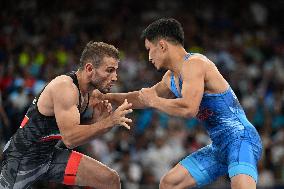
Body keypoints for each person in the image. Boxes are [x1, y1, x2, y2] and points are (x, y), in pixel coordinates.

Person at [100, 18, 263, 189]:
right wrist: (108, 97)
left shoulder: (195, 64)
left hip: (241, 139)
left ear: (162, 46)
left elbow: (189, 108)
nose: (148, 57)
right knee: (169, 184)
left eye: (149, 50)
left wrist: (155, 101)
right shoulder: (170, 78)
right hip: (219, 147)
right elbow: (142, 98)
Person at [0, 41, 133, 189]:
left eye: (115, 71)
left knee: (110, 180)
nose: (115, 77)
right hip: (21, 159)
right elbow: (70, 139)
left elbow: (130, 98)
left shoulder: (90, 93)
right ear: (89, 68)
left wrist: (97, 122)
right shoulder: (65, 88)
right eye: (109, 70)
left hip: (49, 156)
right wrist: (107, 123)